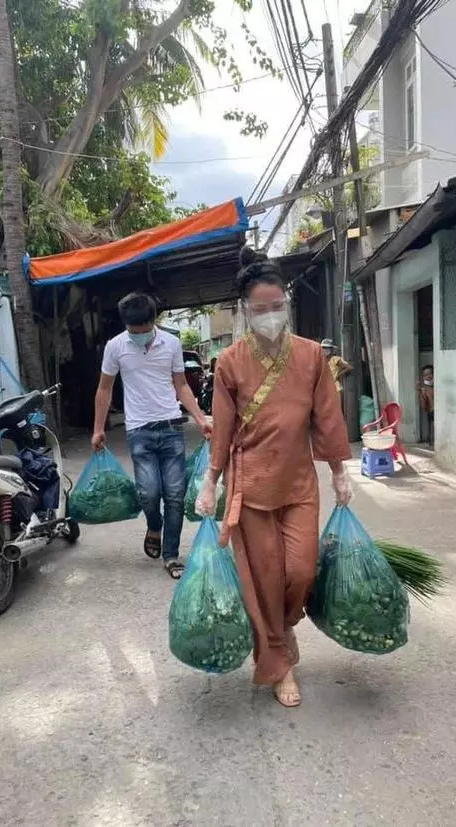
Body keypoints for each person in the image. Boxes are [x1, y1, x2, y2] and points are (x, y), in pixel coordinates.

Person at [196, 248, 352, 708]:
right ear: (245, 311)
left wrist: (340, 472)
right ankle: (279, 665)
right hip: (251, 488)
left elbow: (327, 419)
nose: (269, 316)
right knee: (263, 581)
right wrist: (210, 481)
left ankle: (283, 630)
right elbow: (221, 428)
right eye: (259, 310)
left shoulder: (309, 357)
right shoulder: (228, 362)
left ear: (286, 302)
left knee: (301, 571)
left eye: (276, 306)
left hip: (299, 484)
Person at [92, 293, 211, 579]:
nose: (140, 336)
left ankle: (171, 555)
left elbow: (181, 385)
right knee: (149, 493)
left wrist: (200, 418)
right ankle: (154, 526)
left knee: (175, 495)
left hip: (171, 427)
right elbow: (104, 389)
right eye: (135, 332)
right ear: (126, 326)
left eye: (145, 330)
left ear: (153, 321)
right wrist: (98, 428)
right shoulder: (115, 347)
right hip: (139, 430)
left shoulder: (171, 343)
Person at [417, 364, 434, 447]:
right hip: (431, 412)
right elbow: (423, 406)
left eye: (430, 374)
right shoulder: (424, 389)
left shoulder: (439, 385)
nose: (428, 377)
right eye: (425, 375)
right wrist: (422, 393)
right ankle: (431, 441)